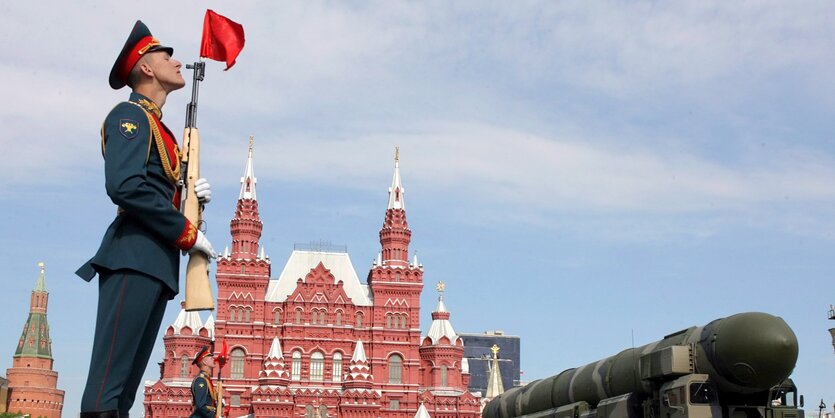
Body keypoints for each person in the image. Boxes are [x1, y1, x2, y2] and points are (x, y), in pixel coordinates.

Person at [76, 20, 216, 418]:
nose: (177, 61)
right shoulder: (130, 116)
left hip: (155, 262)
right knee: (108, 386)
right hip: (132, 255)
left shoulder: (161, 128)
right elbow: (125, 187)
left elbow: (155, 187)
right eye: (166, 55)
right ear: (146, 68)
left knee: (123, 392)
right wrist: (185, 232)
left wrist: (191, 203)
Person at [190, 346, 218, 418]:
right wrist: (213, 416)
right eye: (211, 358)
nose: (213, 359)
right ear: (205, 362)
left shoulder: (206, 379)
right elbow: (201, 406)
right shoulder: (201, 380)